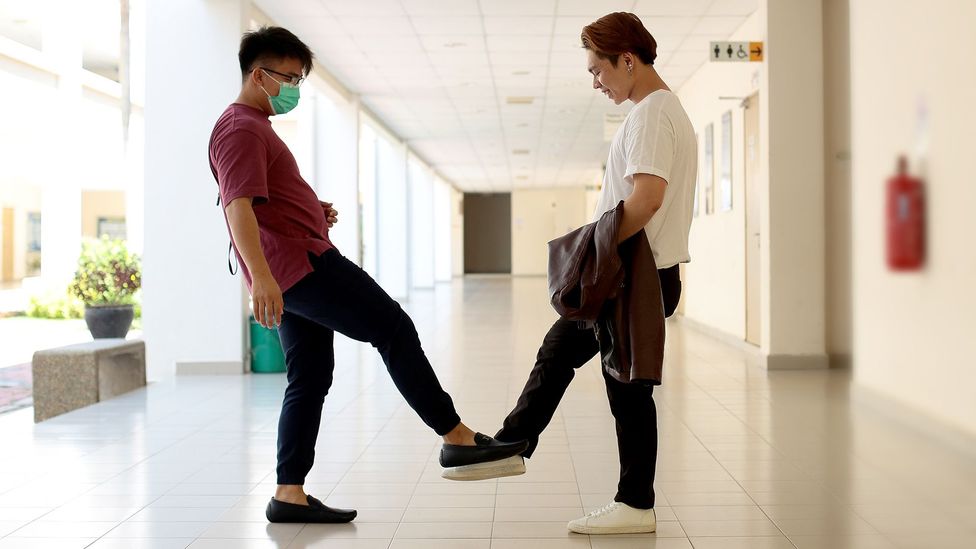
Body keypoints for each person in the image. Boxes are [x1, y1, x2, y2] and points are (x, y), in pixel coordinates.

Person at [208, 26, 528, 524]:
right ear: (258, 74)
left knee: (310, 376)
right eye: (288, 77)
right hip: (300, 267)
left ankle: (288, 493)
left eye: (300, 79)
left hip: (292, 261)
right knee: (392, 326)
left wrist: (312, 208)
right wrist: (263, 277)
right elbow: (237, 206)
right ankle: (455, 437)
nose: (294, 88)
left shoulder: (254, 128)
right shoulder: (242, 127)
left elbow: (264, 201)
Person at [476, 13, 698, 535]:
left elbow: (644, 201)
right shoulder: (668, 111)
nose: (596, 82)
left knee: (623, 386)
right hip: (639, 273)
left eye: (598, 70)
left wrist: (591, 253)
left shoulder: (650, 115)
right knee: (570, 357)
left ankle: (632, 503)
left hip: (631, 273)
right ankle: (515, 444)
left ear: (628, 59)